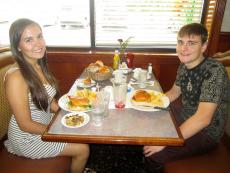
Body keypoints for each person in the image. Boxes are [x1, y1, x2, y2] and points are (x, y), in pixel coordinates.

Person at [4, 18, 90, 173]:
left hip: (45, 124)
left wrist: (68, 112)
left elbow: (48, 101)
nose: (38, 44)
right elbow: (25, 124)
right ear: (18, 46)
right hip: (27, 137)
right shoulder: (15, 77)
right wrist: (57, 132)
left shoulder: (38, 64)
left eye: (39, 36)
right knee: (83, 149)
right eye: (29, 40)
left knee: (79, 130)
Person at [143, 23, 230, 173]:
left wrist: (168, 142)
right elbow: (173, 93)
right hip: (185, 115)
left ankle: (152, 165)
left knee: (156, 154)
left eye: (191, 43)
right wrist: (148, 104)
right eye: (180, 42)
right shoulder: (184, 65)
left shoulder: (214, 72)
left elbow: (203, 119)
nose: (183, 48)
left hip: (206, 132)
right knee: (149, 120)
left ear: (203, 46)